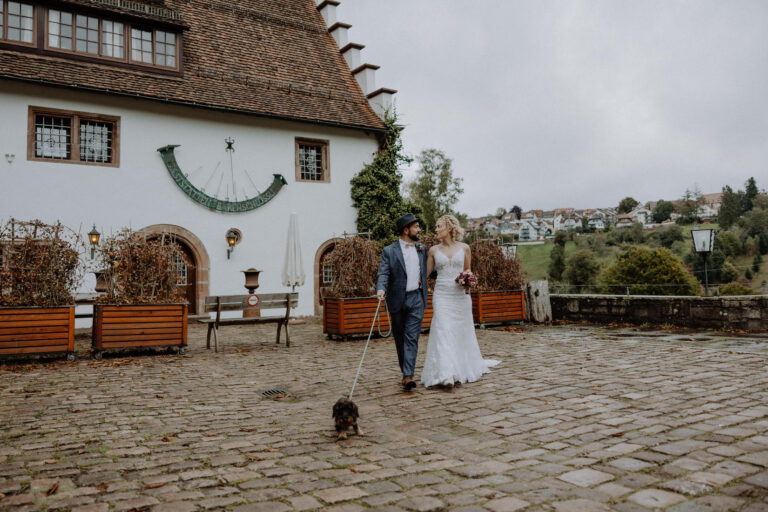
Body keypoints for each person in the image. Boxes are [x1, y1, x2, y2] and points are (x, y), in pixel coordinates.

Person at [420, 214, 499, 389]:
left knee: (460, 331)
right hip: (442, 295)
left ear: (449, 228)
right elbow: (424, 276)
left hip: (460, 296)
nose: (436, 229)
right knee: (443, 330)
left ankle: (460, 366)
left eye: (439, 226)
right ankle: (446, 373)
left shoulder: (465, 248)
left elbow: (467, 270)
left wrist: (468, 279)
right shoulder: (433, 250)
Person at [376, 213, 429, 391]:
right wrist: (381, 288)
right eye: (416, 227)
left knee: (412, 338)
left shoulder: (422, 248)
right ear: (406, 230)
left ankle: (408, 376)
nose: (419, 230)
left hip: (417, 298)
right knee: (400, 339)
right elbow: (384, 273)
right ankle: (405, 371)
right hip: (397, 300)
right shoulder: (389, 251)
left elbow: (431, 270)